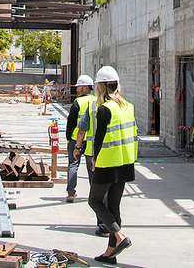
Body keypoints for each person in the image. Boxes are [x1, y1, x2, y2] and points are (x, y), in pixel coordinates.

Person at [87, 66, 137, 264]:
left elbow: (99, 140)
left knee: (95, 201)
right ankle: (110, 252)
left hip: (108, 163)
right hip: (125, 162)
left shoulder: (104, 109)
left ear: (100, 87)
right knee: (113, 206)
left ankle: (119, 236)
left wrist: (94, 160)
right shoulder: (128, 106)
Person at [65, 74, 97, 203]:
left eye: (79, 87)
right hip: (91, 140)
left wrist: (69, 138)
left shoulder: (77, 102)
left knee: (73, 164)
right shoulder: (96, 100)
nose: (77, 89)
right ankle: (94, 194)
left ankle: (71, 193)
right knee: (92, 167)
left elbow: (71, 122)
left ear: (84, 88)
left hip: (76, 138)